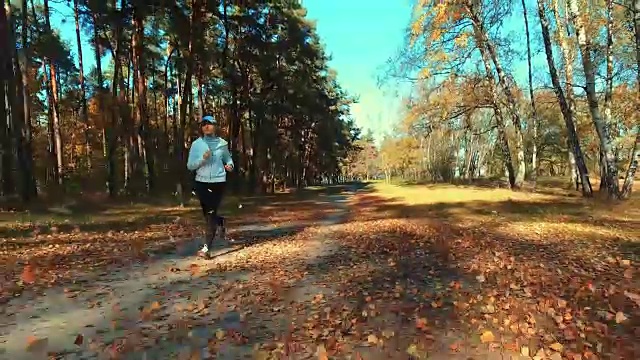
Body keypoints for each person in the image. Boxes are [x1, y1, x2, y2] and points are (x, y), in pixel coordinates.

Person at [186, 115, 234, 257]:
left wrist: (230, 166)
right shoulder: (197, 145)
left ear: (215, 126)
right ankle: (220, 221)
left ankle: (206, 249)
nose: (206, 126)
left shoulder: (222, 144)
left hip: (219, 182)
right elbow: (190, 166)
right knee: (208, 214)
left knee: (210, 215)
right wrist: (202, 159)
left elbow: (228, 159)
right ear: (201, 128)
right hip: (201, 182)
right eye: (203, 124)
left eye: (210, 123)